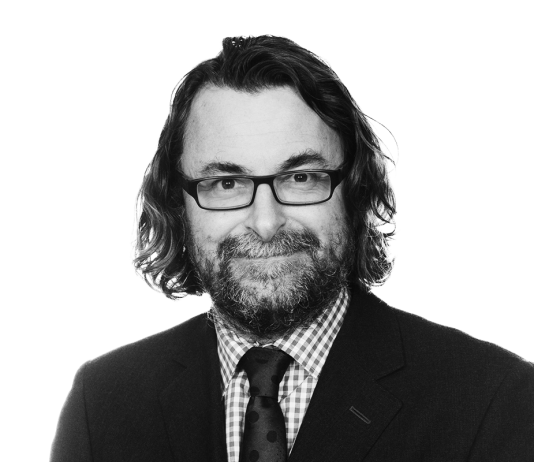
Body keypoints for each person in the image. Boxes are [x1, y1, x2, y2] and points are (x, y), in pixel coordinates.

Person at [50, 35, 533, 461]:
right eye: (226, 183)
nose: (266, 223)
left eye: (301, 178)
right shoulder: (103, 400)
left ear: (356, 191)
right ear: (178, 205)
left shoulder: (494, 397)